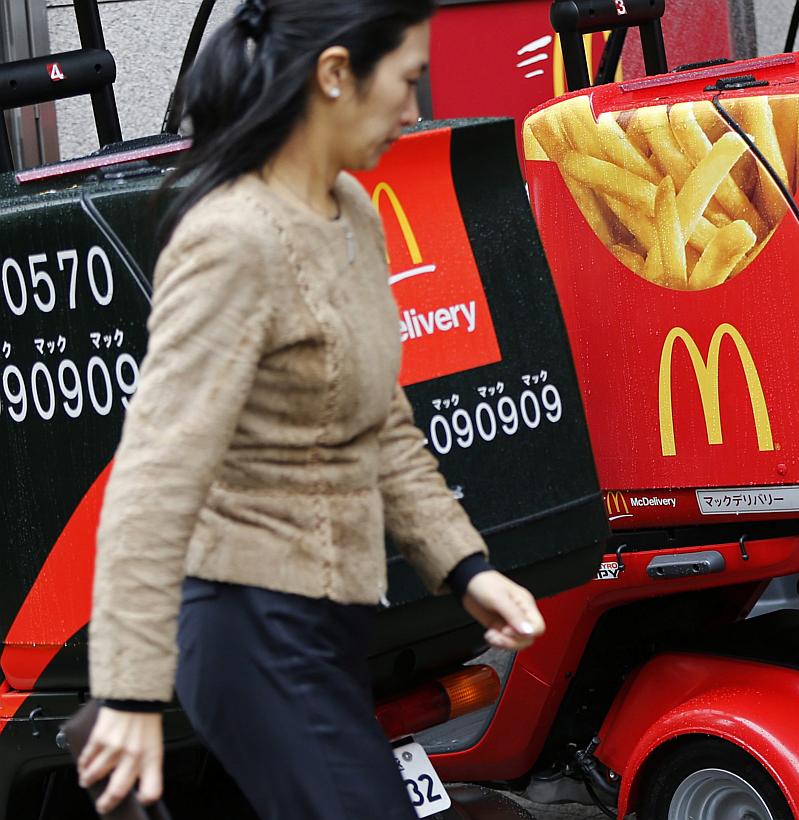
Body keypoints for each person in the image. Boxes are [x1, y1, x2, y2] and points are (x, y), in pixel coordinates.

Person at [75, 1, 546, 817]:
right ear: (334, 75)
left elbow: (383, 426)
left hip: (330, 625)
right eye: (406, 81)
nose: (412, 111)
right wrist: (128, 692)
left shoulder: (351, 211)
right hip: (249, 629)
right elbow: (155, 475)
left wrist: (467, 569)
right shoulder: (232, 239)